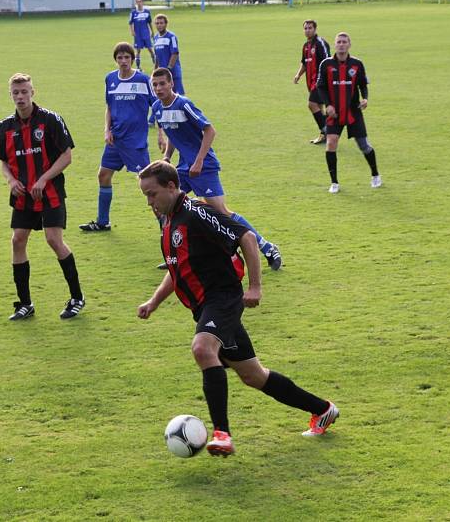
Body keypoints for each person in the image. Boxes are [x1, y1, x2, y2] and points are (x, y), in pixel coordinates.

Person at [137, 161, 339, 456]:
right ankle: (323, 410)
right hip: (204, 306)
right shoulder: (169, 221)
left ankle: (222, 434)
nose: (149, 202)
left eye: (152, 194)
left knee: (202, 349)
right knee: (253, 375)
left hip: (223, 298)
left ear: (171, 186)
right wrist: (153, 302)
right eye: (145, 196)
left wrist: (255, 286)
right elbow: (177, 267)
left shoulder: (197, 213)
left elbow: (246, 237)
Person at [150, 67, 282, 270]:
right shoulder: (158, 108)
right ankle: (175, 255)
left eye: (162, 84)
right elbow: (173, 133)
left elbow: (210, 131)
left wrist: (199, 160)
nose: (159, 88)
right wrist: (167, 156)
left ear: (171, 84)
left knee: (220, 211)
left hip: (204, 166)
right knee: (165, 205)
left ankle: (267, 247)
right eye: (155, 85)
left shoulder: (184, 104)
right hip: (183, 167)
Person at [0, 73, 85, 321]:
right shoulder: (5, 127)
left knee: (54, 240)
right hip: (23, 196)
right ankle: (25, 303)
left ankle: (76, 297)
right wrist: (10, 180)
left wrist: (43, 179)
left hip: (49, 192)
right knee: (17, 240)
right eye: (15, 93)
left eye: (24, 92)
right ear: (10, 94)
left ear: (33, 92)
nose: (20, 97)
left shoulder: (50, 120)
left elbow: (66, 156)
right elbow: (3, 161)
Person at [80, 42, 155, 232]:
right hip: (115, 140)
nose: (123, 61)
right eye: (120, 58)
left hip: (135, 142)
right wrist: (107, 129)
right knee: (103, 175)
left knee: (149, 183)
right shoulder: (110, 79)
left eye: (127, 57)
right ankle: (102, 222)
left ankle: (167, 225)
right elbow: (109, 107)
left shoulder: (143, 80)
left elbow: (156, 106)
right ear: (116, 60)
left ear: (132, 59)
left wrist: (162, 134)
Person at [316, 32, 381, 193]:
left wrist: (365, 99)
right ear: (335, 44)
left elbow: (363, 85)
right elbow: (321, 86)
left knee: (364, 146)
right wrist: (328, 105)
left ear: (349, 45)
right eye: (339, 42)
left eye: (344, 42)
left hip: (353, 112)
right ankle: (334, 183)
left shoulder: (357, 64)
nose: (341, 44)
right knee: (331, 143)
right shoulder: (326, 64)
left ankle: (375, 175)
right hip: (334, 113)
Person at [293, 19, 331, 145]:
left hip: (320, 81)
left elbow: (328, 61)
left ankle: (326, 131)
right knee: (319, 107)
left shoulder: (320, 43)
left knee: (311, 104)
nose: (307, 30)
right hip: (310, 81)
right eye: (305, 28)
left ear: (315, 29)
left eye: (310, 28)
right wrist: (298, 74)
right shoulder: (305, 46)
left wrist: (326, 80)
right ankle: (324, 135)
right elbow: (304, 62)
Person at [153, 14, 185, 95]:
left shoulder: (171, 37)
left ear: (166, 24)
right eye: (157, 23)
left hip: (173, 71)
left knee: (179, 94)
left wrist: (169, 68)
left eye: (161, 23)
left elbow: (175, 53)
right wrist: (155, 69)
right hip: (162, 73)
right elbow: (157, 56)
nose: (159, 25)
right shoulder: (156, 38)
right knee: (165, 94)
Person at [129, 0, 155, 70]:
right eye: (137, 2)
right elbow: (130, 23)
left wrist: (152, 31)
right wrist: (132, 31)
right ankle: (138, 67)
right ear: (136, 3)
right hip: (138, 35)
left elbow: (149, 22)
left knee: (150, 49)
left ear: (142, 2)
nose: (139, 3)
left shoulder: (147, 12)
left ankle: (155, 65)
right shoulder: (133, 13)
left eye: (140, 1)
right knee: (138, 50)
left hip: (146, 34)